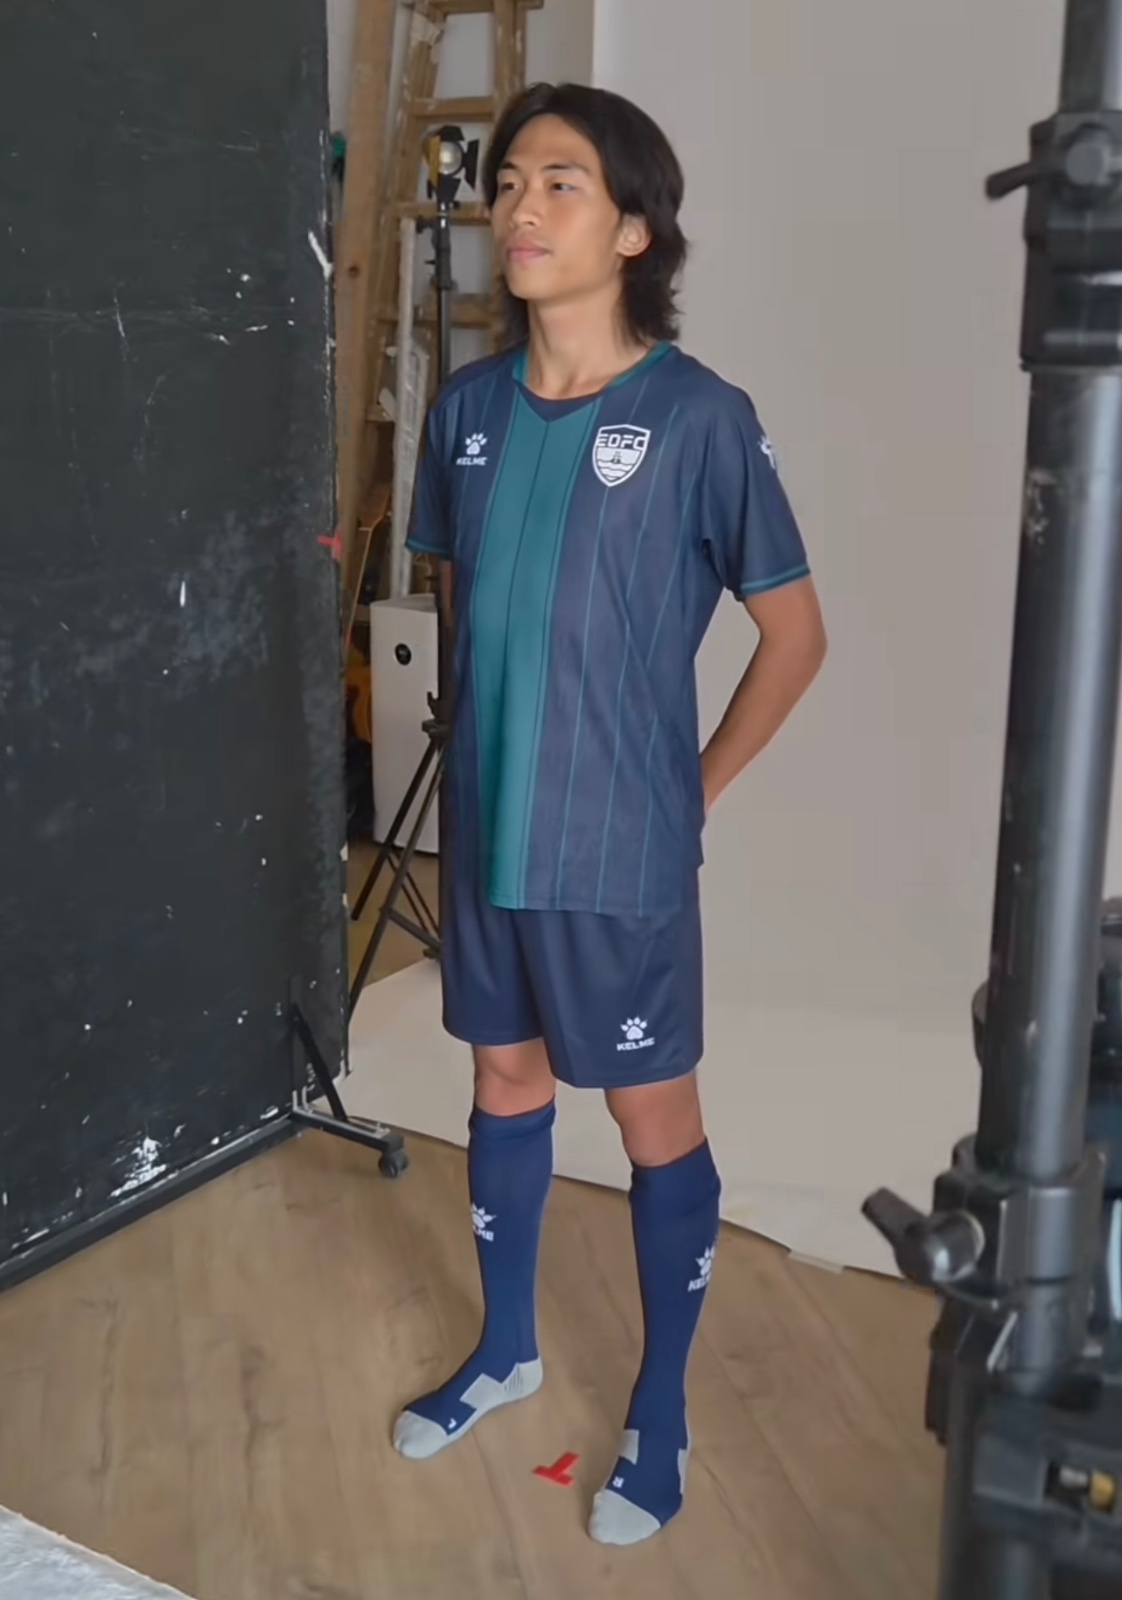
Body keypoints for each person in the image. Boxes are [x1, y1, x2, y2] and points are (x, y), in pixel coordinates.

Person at [391, 81, 827, 1546]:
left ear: (634, 229)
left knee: (652, 1123)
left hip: (615, 856)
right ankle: (508, 1348)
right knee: (504, 1084)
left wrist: (687, 789)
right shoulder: (463, 413)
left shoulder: (701, 419)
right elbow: (481, 615)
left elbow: (795, 638)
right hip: (486, 840)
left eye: (559, 184)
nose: (519, 207)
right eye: (509, 181)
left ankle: (661, 1410)